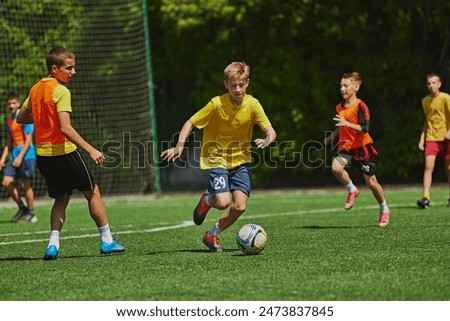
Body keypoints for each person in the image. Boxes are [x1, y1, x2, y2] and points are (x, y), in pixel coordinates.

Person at [17, 46, 125, 260]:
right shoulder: (61, 91)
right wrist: (91, 149)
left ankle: (53, 245)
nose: (73, 72)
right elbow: (65, 128)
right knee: (92, 192)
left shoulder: (35, 89)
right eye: (69, 68)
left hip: (43, 155)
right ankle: (107, 241)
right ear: (55, 69)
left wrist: (43, 120)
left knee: (61, 199)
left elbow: (21, 117)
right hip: (64, 152)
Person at [161, 61, 276, 251]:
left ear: (247, 82)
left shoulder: (253, 105)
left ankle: (211, 235)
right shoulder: (216, 104)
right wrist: (179, 147)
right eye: (233, 85)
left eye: (241, 84)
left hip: (241, 161)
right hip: (216, 158)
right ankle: (208, 199)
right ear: (226, 85)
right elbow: (190, 122)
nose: (238, 89)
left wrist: (267, 139)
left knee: (239, 207)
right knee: (223, 202)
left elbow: (270, 130)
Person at [324, 72, 390, 227]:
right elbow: (342, 125)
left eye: (346, 85)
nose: (342, 88)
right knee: (335, 167)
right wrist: (332, 136)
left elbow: (364, 129)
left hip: (362, 149)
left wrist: (347, 124)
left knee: (372, 184)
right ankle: (352, 189)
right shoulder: (339, 107)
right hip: (346, 147)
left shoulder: (361, 106)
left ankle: (384, 209)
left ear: (356, 87)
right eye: (341, 85)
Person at [0, 93, 37, 223]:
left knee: (24, 183)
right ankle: (22, 208)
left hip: (26, 154)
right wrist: (3, 159)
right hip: (14, 154)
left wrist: (20, 157)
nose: (11, 106)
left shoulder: (24, 117)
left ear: (19, 103)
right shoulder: (9, 120)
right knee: (6, 181)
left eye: (14, 103)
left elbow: (29, 140)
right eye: (9, 103)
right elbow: (9, 141)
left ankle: (31, 212)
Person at [417, 73, 450, 209]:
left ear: (439, 84)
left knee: (449, 168)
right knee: (428, 166)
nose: (431, 86)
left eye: (434, 82)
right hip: (432, 137)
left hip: (446, 137)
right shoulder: (425, 101)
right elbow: (427, 119)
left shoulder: (446, 98)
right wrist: (422, 137)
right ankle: (426, 197)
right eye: (429, 83)